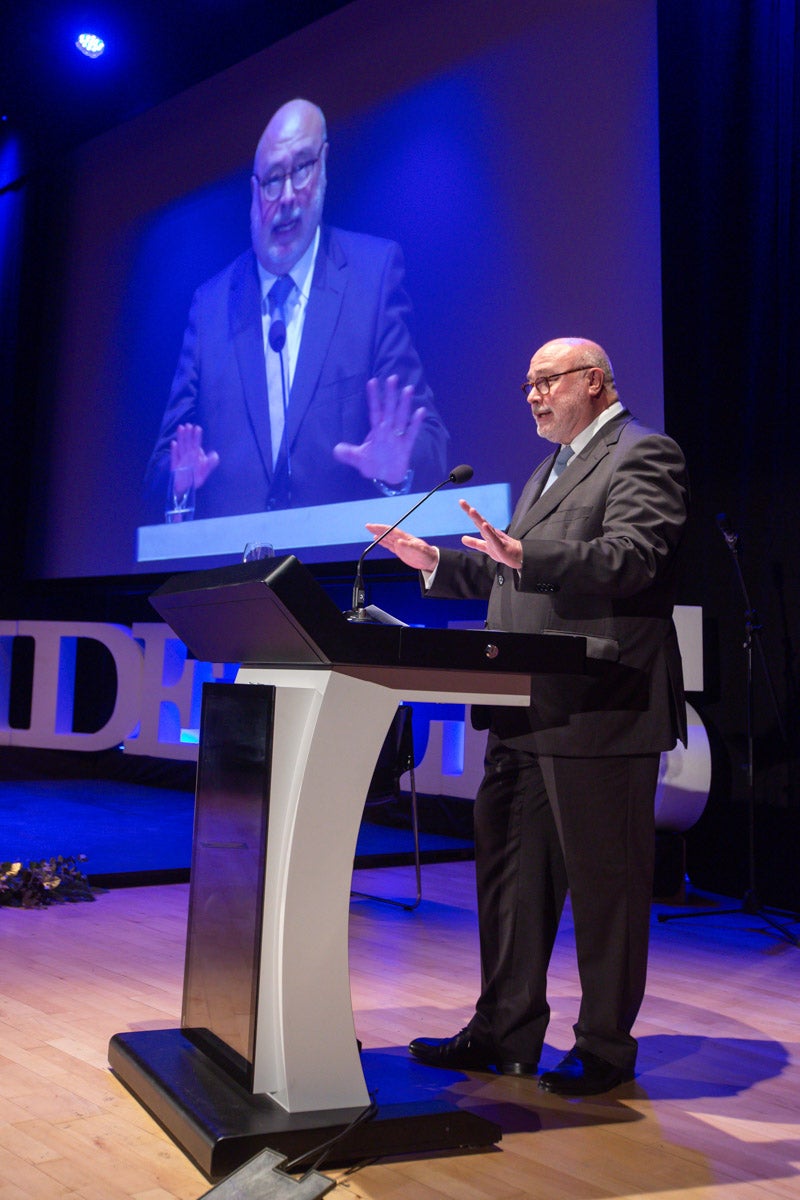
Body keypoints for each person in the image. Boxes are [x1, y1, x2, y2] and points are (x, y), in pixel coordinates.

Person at [366, 337, 689, 1096]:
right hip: (524, 706)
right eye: (528, 384)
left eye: (547, 381)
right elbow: (519, 571)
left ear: (596, 381)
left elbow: (633, 557)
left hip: (599, 708)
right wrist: (440, 564)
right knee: (511, 879)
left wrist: (525, 557)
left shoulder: (645, 452)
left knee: (605, 888)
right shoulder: (552, 467)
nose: (534, 395)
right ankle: (503, 1032)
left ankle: (606, 1047)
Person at [142, 98, 448, 522]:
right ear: (254, 191)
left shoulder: (372, 274)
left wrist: (397, 468)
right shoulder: (211, 305)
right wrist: (179, 487)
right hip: (231, 574)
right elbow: (161, 465)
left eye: (302, 168)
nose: (286, 197)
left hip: (339, 570)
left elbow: (430, 440)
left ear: (323, 168)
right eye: (272, 179)